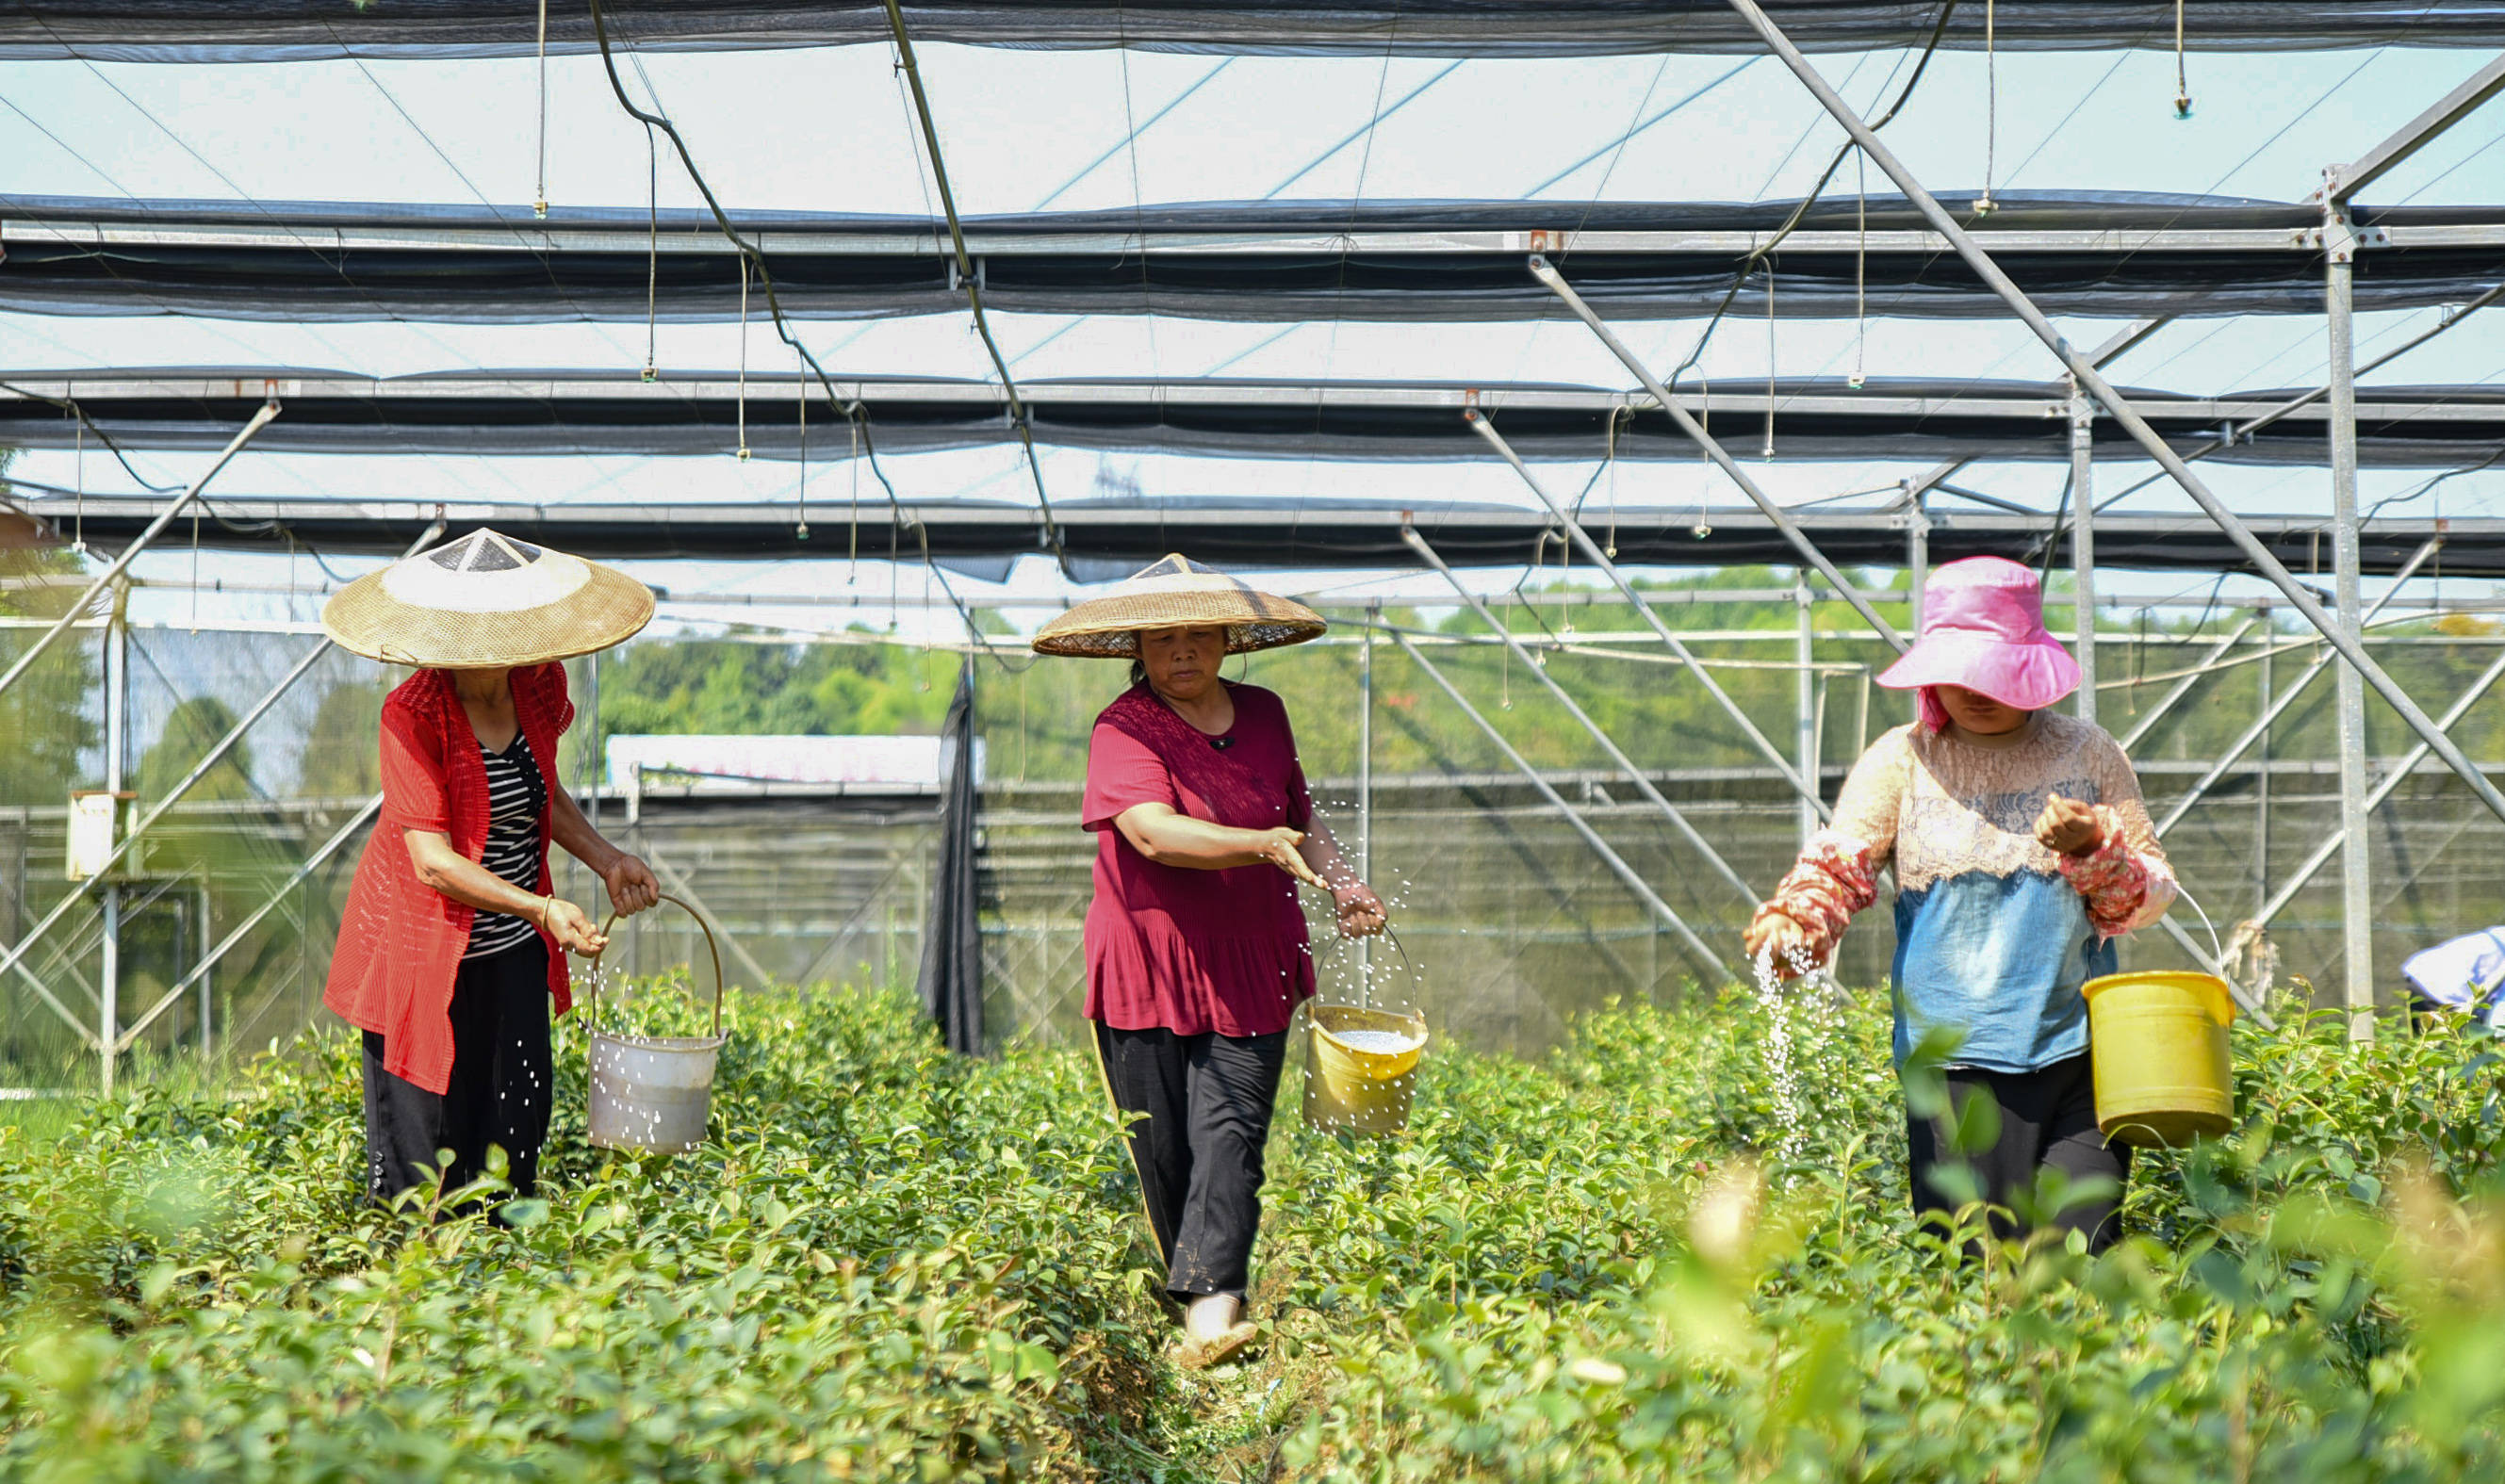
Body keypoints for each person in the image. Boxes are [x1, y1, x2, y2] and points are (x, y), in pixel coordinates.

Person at [1744, 556, 2176, 1251]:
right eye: (1961, 668)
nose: (1975, 689)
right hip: (1956, 1066)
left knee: (2082, 1252)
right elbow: (1841, 863)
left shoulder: (2088, 753)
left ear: (2031, 668)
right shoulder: (1902, 760)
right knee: (1985, 1266)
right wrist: (1796, 921)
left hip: (2081, 1054)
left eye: (1995, 670)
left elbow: (2151, 891)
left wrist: (2095, 845)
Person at [1032, 554, 1388, 1369]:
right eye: (1164, 637)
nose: (1182, 650)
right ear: (1139, 647)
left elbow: (1298, 819)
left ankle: (1212, 1313)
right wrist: (1257, 843)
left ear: (1229, 639)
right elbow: (1154, 831)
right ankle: (1192, 1287)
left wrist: (1342, 882)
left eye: (1198, 633)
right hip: (1148, 958)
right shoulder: (1123, 727)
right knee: (1165, 1147)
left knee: (1229, 1131)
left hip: (1249, 958)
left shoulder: (1265, 714)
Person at [319, 529, 663, 1211]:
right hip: (418, 963)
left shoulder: (536, 687)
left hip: (509, 959)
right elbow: (433, 861)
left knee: (511, 1150)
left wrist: (606, 858)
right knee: (425, 1173)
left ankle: (497, 1295)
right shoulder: (413, 714)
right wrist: (541, 908)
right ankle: (413, 1305)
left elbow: (537, 790)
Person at [2400, 927, 2505, 1032]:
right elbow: (2499, 1010)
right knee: (2453, 1040)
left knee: (2423, 1040)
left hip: (2418, 976)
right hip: (2443, 994)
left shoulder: (2497, 934)